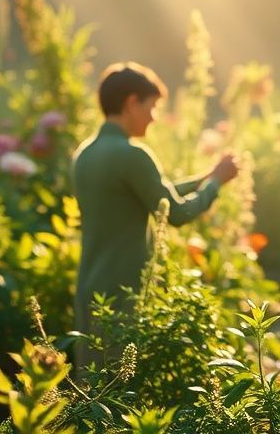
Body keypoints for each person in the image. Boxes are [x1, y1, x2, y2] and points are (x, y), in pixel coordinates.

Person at [71, 62, 239, 371]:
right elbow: (175, 211)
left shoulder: (86, 153)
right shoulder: (132, 154)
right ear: (132, 102)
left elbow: (151, 193)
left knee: (94, 387)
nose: (155, 116)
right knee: (122, 390)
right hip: (123, 292)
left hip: (89, 287)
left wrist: (207, 175)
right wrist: (216, 183)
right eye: (152, 106)